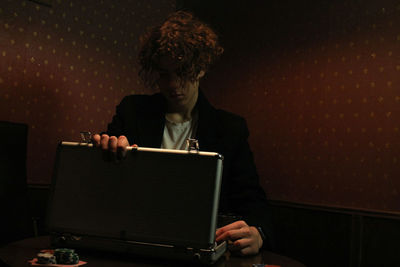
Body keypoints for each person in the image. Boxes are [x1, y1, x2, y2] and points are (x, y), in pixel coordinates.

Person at [92, 10, 273, 256]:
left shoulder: (229, 128)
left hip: (198, 249)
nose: (173, 84)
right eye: (164, 74)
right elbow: (103, 184)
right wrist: (107, 149)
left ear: (201, 69)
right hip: (137, 244)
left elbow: (253, 202)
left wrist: (258, 233)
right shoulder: (133, 111)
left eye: (182, 72)